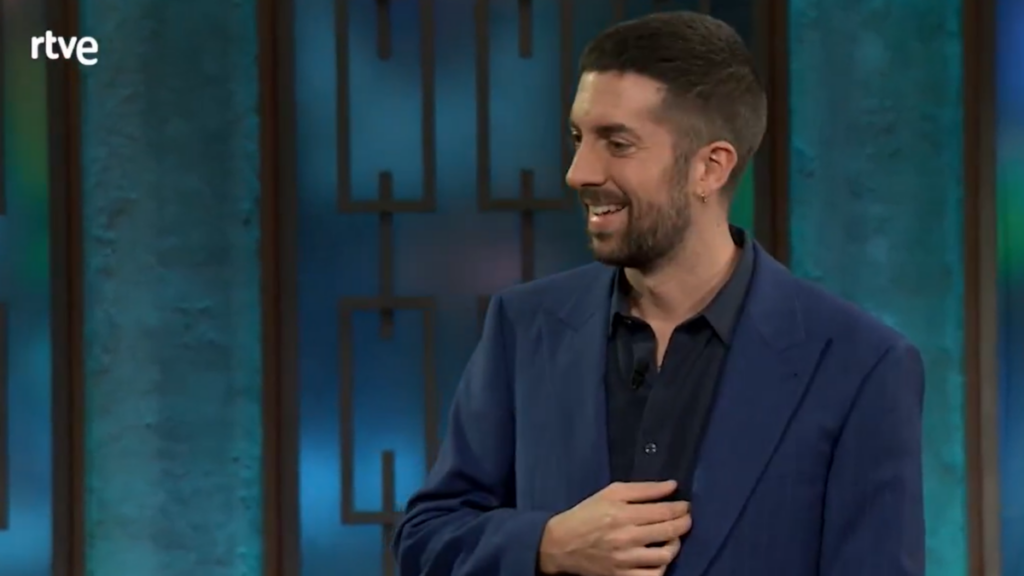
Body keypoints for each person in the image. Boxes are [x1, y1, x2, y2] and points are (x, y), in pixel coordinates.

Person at [393, 10, 924, 576]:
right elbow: (426, 539)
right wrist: (547, 544)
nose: (578, 172)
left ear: (710, 168)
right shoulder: (524, 327)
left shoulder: (859, 366)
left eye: (617, 143)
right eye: (578, 137)